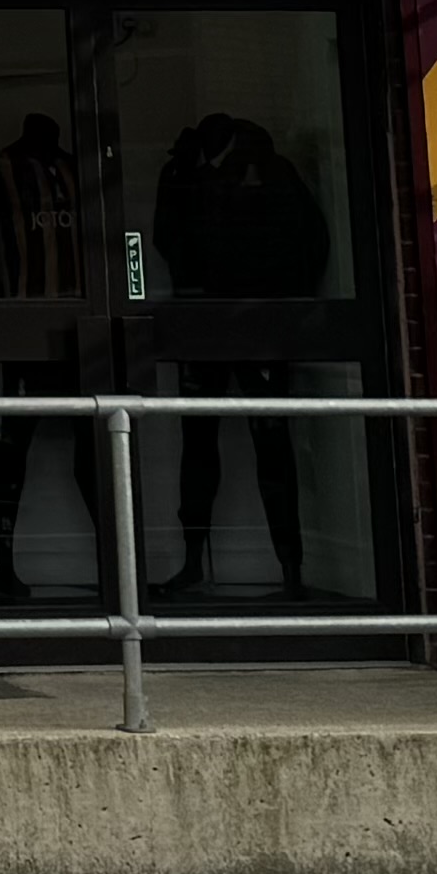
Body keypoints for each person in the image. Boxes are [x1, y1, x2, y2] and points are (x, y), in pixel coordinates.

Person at [146, 110, 328, 602]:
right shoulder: (186, 170)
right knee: (202, 446)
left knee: (269, 447)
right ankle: (197, 562)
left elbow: (309, 241)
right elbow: (165, 239)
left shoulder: (267, 169)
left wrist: (286, 308)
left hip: (252, 328)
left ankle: (290, 569)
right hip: (209, 328)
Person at [0, 109, 100, 604]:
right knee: (13, 442)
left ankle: (119, 562)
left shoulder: (76, 169)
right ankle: (4, 562)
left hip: (81, 330)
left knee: (96, 443)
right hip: (25, 330)